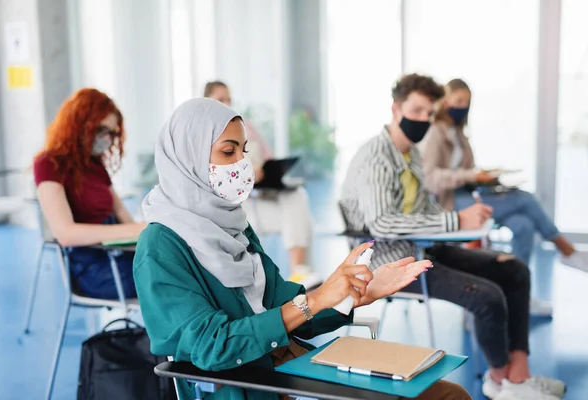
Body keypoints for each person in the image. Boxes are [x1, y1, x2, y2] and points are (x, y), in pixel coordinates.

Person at [133, 98, 470, 400]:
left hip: (286, 368)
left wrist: (355, 293)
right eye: (227, 151)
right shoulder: (161, 246)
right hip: (244, 386)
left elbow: (288, 307)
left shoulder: (234, 225)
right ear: (188, 155)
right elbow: (211, 345)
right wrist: (316, 300)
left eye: (243, 151)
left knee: (448, 394)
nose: (241, 163)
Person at [340, 74, 565, 400]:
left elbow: (423, 211)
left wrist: (466, 224)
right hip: (393, 263)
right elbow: (383, 225)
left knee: (514, 269)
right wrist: (456, 218)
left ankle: (519, 377)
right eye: (416, 110)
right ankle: (500, 382)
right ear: (395, 108)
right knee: (487, 297)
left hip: (425, 248)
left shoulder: (412, 153)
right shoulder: (376, 157)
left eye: (429, 113)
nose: (423, 120)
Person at [420, 78, 588, 314]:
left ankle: (517, 294)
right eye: (458, 100)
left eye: (467, 102)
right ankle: (567, 251)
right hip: (450, 203)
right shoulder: (434, 133)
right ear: (445, 101)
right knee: (525, 198)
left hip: (470, 195)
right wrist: (469, 174)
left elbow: (468, 171)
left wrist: (486, 178)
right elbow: (430, 177)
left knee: (523, 225)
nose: (463, 106)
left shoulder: (459, 133)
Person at [204, 81, 320, 288]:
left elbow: (268, 159)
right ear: (207, 102)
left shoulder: (245, 126)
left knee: (298, 197)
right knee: (302, 220)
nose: (227, 103)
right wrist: (245, 175)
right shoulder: (206, 136)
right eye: (221, 99)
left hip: (260, 197)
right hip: (237, 207)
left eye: (229, 98)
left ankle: (299, 271)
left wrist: (268, 172)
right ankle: (299, 275)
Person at [33, 88, 146, 299]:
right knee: (173, 280)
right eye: (102, 129)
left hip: (118, 256)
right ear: (79, 123)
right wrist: (135, 230)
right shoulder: (48, 164)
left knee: (182, 267)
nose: (108, 139)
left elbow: (121, 212)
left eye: (112, 133)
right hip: (93, 268)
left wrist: (146, 235)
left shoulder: (95, 165)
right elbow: (65, 234)